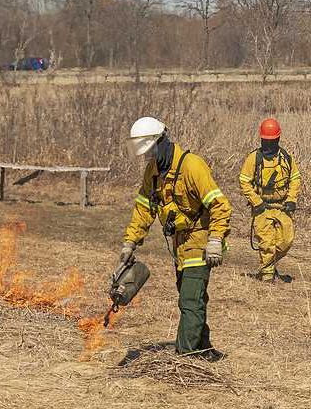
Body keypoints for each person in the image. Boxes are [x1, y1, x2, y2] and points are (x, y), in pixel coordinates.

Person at [120, 117, 232, 362]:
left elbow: (221, 205)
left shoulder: (192, 166)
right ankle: (204, 348)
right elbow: (144, 209)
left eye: (149, 151)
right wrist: (130, 242)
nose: (147, 157)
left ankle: (187, 357)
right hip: (180, 244)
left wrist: (215, 240)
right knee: (192, 295)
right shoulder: (154, 171)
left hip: (200, 241)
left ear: (161, 142)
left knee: (190, 298)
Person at [239, 118, 301, 282]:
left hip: (282, 206)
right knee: (266, 242)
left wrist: (291, 199)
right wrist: (256, 201)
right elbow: (244, 180)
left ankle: (269, 266)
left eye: (272, 141)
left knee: (286, 241)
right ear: (261, 140)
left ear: (278, 139)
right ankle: (267, 278)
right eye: (266, 141)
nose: (269, 144)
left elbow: (295, 178)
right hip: (262, 207)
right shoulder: (254, 158)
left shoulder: (286, 158)